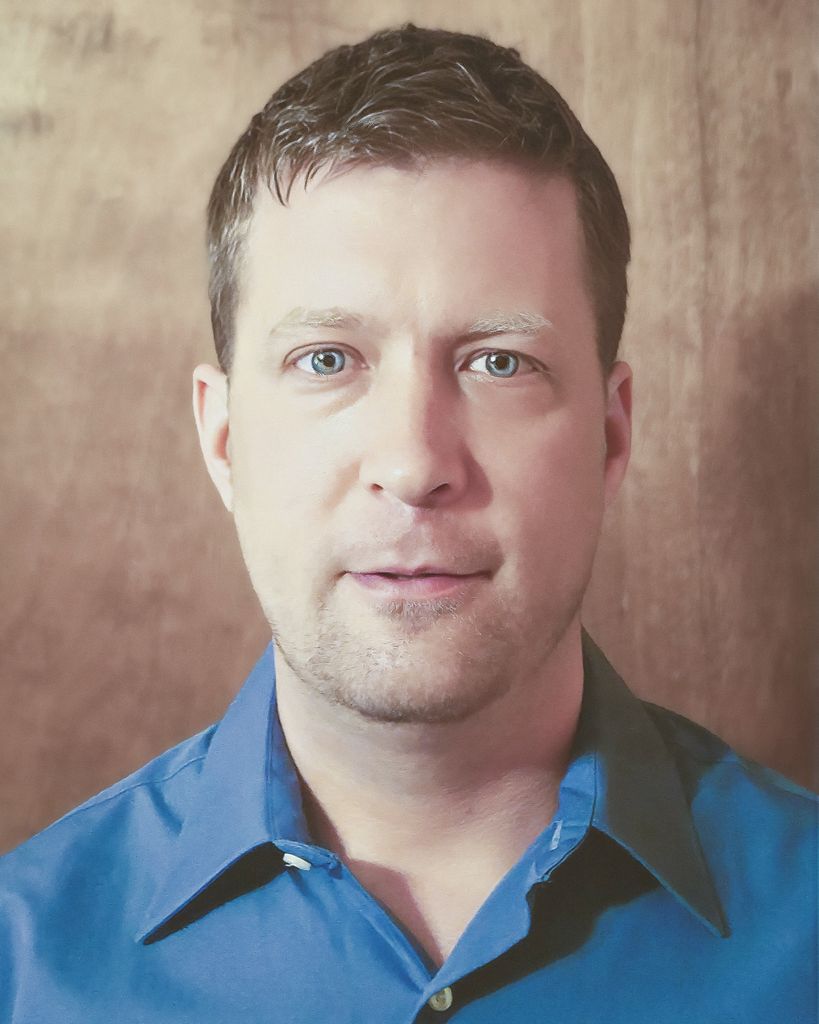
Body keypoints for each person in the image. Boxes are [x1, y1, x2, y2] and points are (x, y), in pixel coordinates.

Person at [1, 23, 815, 1024]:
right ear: (223, 438)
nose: (415, 462)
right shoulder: (21, 966)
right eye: (327, 360)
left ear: (610, 437)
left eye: (499, 363)